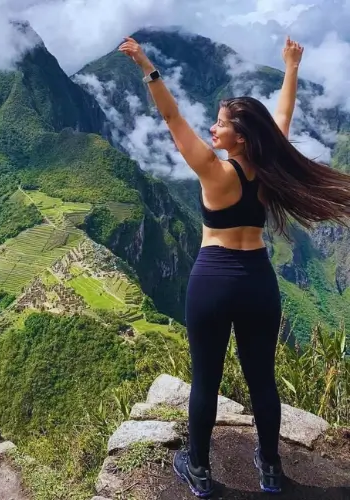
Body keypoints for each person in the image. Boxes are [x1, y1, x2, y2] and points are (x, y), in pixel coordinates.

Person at [119, 35, 350, 497]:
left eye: (220, 125)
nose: (212, 128)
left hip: (213, 278)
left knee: (205, 377)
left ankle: (199, 471)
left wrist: (147, 66)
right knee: (261, 377)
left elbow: (170, 117)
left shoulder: (213, 171)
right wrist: (290, 68)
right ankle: (268, 467)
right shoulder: (270, 167)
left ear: (239, 137)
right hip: (258, 281)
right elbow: (281, 117)